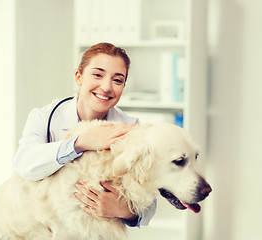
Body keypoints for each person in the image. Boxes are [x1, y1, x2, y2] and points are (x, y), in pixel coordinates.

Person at [13, 42, 156, 227]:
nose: (106, 87)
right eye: (97, 74)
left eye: (118, 80)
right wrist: (79, 143)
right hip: (46, 227)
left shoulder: (131, 128)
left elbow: (149, 201)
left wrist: (122, 210)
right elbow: (24, 165)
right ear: (78, 77)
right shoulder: (45, 117)